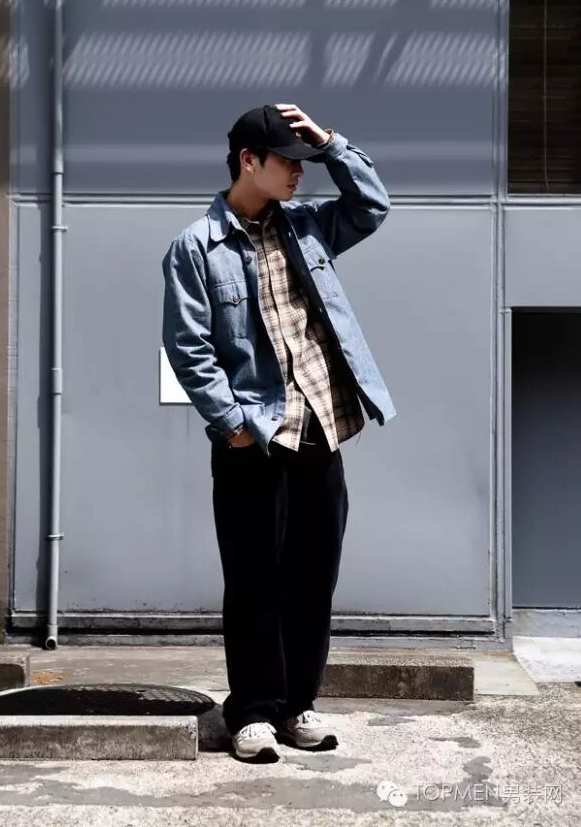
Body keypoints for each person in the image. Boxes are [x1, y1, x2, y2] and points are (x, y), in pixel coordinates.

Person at [162, 103, 396, 762]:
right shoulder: (196, 247)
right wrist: (232, 423)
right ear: (249, 161)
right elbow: (189, 347)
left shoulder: (309, 226)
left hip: (321, 428)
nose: (300, 172)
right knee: (253, 580)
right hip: (256, 439)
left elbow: (372, 206)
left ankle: (298, 706)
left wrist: (332, 144)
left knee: (313, 577)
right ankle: (254, 712)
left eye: (304, 161)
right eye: (288, 161)